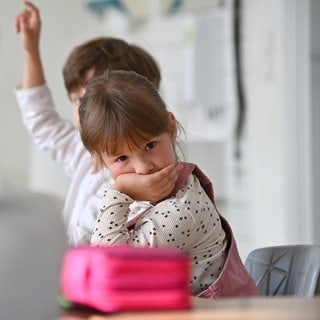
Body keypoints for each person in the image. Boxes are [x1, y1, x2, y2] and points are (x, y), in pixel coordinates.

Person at [79, 70, 258, 298]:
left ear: (170, 129)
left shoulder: (181, 212)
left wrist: (119, 190)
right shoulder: (143, 196)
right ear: (100, 159)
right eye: (122, 158)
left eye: (150, 146)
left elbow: (107, 272)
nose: (143, 168)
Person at [14, 1, 181, 245]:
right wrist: (30, 51)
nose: (84, 111)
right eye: (78, 99)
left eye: (96, 99)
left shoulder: (147, 173)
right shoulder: (85, 153)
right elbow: (41, 121)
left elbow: (85, 239)